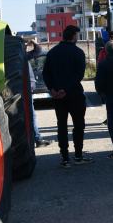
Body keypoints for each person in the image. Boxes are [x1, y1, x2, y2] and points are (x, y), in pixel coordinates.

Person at [43, 25, 90, 168]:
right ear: (74, 36)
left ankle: (64, 157)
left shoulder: (52, 53)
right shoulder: (78, 53)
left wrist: (53, 90)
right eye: (77, 35)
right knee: (78, 125)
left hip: (58, 97)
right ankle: (78, 155)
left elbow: (46, 74)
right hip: (74, 94)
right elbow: (79, 75)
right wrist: (65, 89)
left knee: (62, 125)